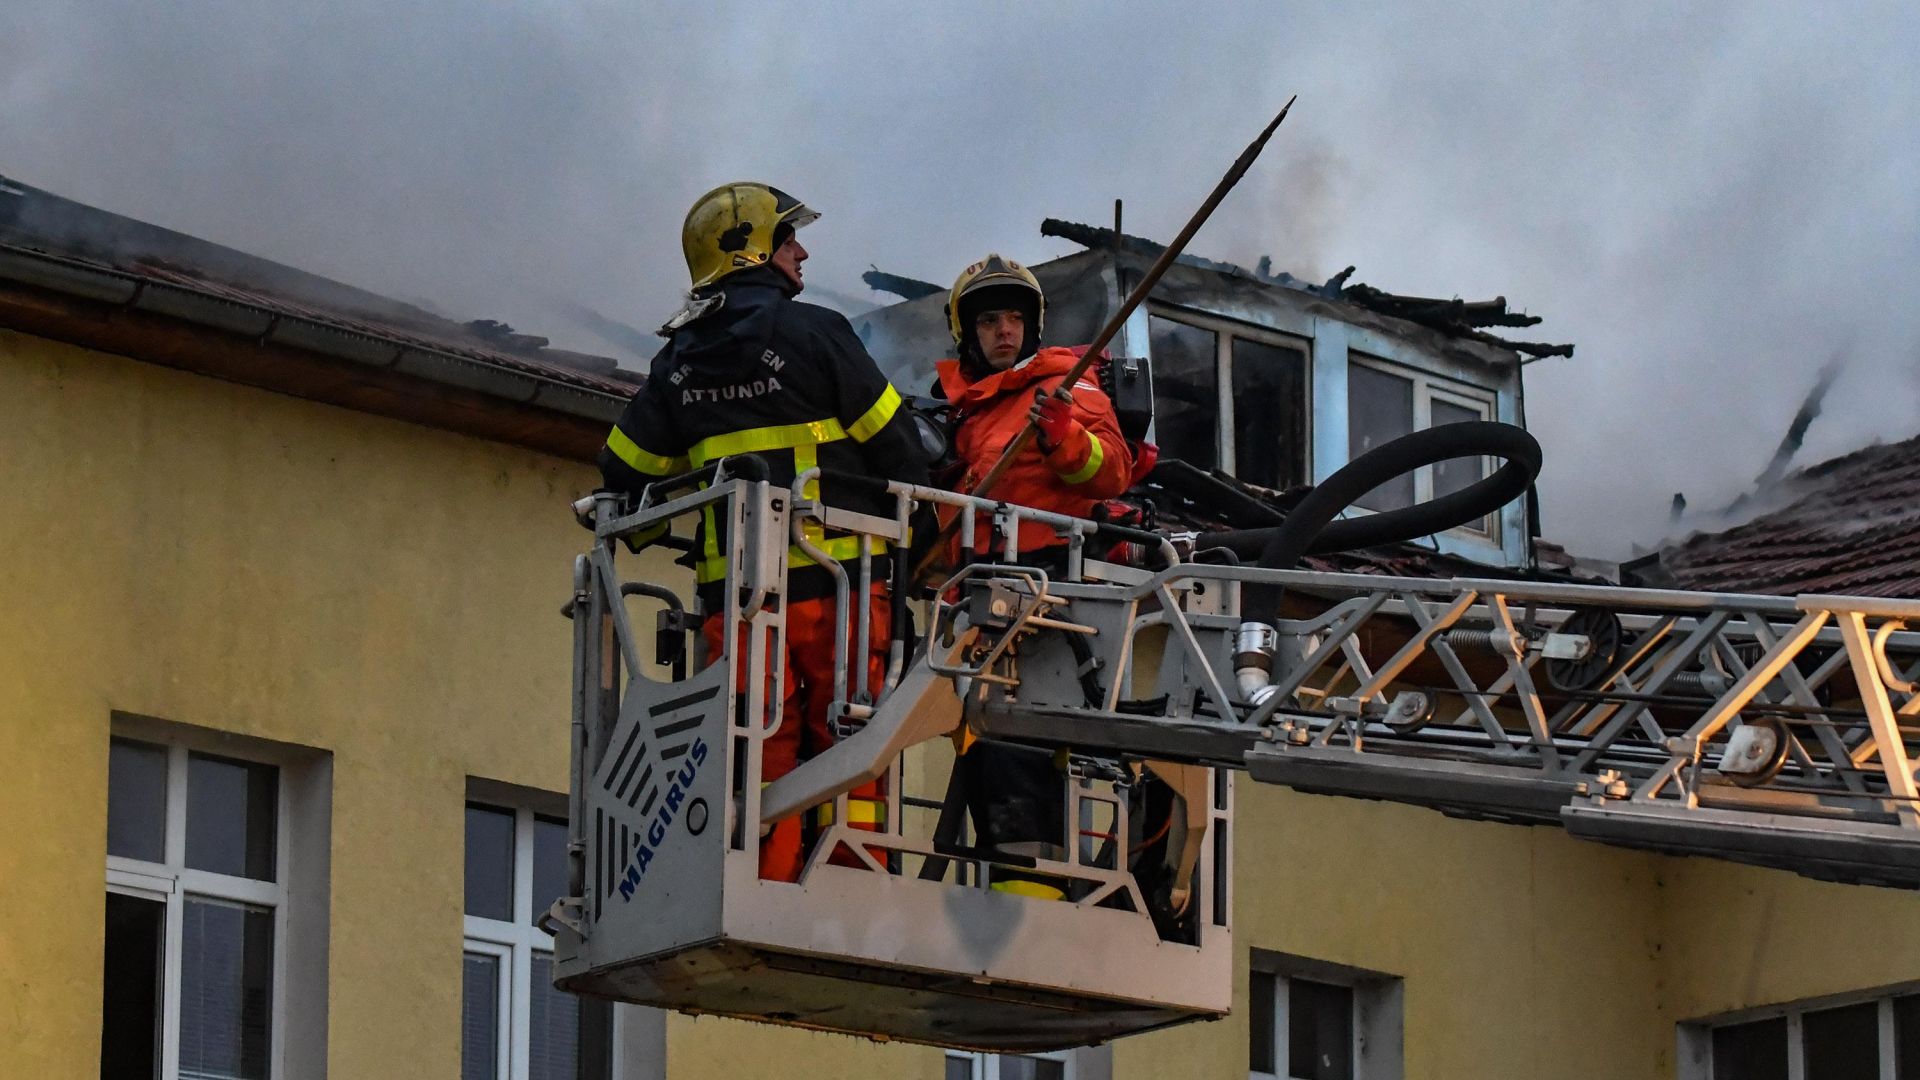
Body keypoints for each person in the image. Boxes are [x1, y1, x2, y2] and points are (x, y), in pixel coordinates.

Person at [598, 182, 927, 882]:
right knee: (852, 741)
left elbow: (623, 470)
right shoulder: (818, 334)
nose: (801, 251)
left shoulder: (678, 363)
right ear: (751, 250)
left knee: (755, 752)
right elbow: (903, 451)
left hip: (742, 604)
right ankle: (849, 887)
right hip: (842, 591)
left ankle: (763, 885)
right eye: (788, 240)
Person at [934, 253, 1135, 898]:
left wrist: (1064, 436)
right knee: (987, 750)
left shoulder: (1068, 386)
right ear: (968, 332)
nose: (1004, 332)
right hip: (978, 593)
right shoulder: (958, 411)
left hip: (1048, 589)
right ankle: (1012, 888)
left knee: (1022, 744)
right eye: (990, 320)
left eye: (1014, 319)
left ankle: (1032, 897)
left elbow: (1112, 473)